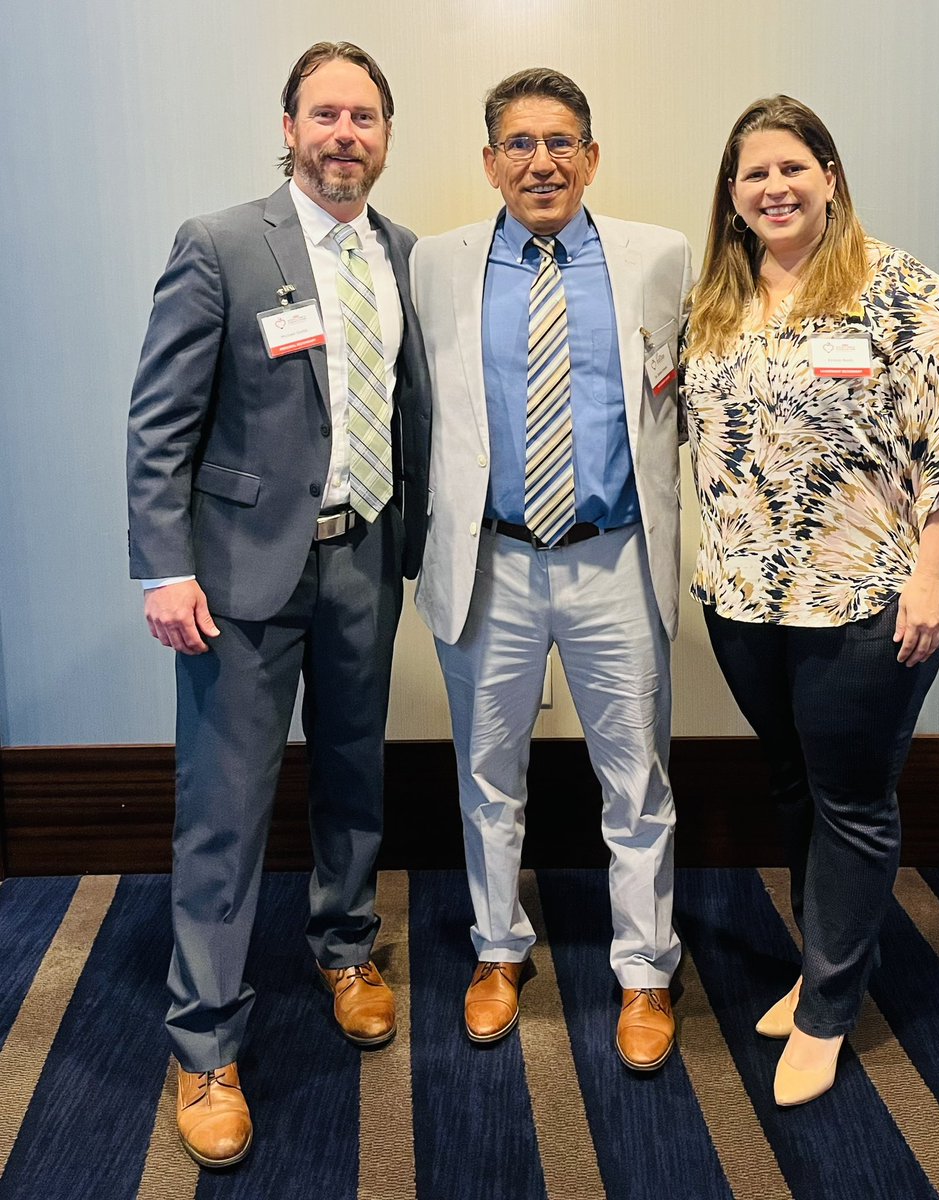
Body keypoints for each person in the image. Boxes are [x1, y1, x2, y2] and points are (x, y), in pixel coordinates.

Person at [126, 42, 430, 1167]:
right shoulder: (218, 246)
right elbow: (159, 418)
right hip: (239, 577)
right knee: (225, 809)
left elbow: (412, 414)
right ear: (290, 126)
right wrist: (165, 565)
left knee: (355, 774)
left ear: (385, 135)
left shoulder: (402, 255)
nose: (344, 133)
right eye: (325, 114)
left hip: (362, 561)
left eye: (363, 116)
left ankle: (345, 947)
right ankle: (203, 1043)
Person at [682, 95, 939, 1106]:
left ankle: (826, 1011)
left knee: (850, 802)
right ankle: (834, 963)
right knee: (790, 786)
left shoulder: (898, 290)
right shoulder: (715, 304)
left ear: (828, 175)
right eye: (751, 174)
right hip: (743, 600)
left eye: (789, 167)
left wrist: (931, 573)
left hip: (861, 600)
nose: (772, 187)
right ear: (730, 196)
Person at [411, 68, 691, 1070]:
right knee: (488, 774)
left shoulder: (659, 258)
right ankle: (496, 950)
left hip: (613, 556)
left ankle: (645, 971)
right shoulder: (433, 265)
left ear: (591, 155)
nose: (542, 160)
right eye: (519, 144)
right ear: (489, 162)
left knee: (635, 776)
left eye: (561, 140)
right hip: (492, 562)